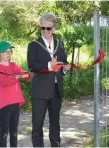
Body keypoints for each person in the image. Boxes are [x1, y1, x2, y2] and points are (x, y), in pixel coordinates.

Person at [27, 13, 71, 147]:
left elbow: (63, 62)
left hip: (56, 91)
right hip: (39, 91)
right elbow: (32, 66)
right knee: (37, 124)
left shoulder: (60, 44)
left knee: (55, 123)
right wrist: (48, 65)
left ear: (54, 28)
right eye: (43, 28)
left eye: (49, 28)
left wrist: (65, 68)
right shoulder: (33, 45)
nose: (45, 31)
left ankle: (55, 145)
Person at [0, 41, 29, 147]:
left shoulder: (14, 65)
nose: (9, 54)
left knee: (14, 130)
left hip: (15, 103)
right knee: (4, 131)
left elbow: (24, 75)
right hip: (4, 104)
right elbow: (4, 82)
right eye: (6, 52)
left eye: (10, 51)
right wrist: (17, 76)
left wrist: (25, 74)